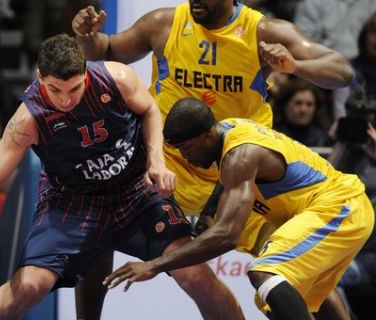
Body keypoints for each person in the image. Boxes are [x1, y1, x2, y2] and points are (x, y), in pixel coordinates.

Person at [72, 1, 354, 317]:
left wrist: (296, 67)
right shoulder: (164, 23)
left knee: (285, 265)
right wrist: (87, 37)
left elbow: (341, 71)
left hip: (235, 172)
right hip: (167, 163)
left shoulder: (262, 31)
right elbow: (106, 48)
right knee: (99, 218)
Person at [0, 34, 244, 320]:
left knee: (195, 274)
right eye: (55, 90)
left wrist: (156, 161)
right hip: (72, 203)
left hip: (135, 191)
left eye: (74, 89)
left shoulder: (117, 79)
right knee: (29, 286)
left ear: (86, 73)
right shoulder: (28, 118)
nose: (65, 100)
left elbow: (150, 109)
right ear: (40, 77)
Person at [103, 97, 374, 320]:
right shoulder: (229, 129)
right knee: (296, 295)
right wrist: (210, 208)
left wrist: (154, 264)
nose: (185, 156)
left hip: (339, 206)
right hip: (337, 207)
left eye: (186, 147)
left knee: (266, 272)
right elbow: (226, 182)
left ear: (206, 133)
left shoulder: (239, 156)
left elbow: (227, 235)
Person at [273, 77, 332, 147]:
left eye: (309, 104)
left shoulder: (324, 139)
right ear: (284, 105)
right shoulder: (271, 137)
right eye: (298, 103)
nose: (303, 110)